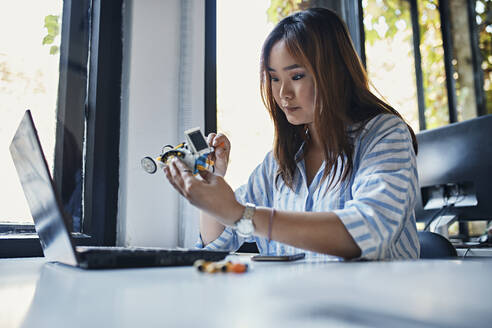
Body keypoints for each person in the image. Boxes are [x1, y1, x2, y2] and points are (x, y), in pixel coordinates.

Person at [164, 8, 420, 260]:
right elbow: (219, 240)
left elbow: (367, 232)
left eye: (296, 76)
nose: (283, 94)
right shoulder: (278, 162)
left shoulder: (385, 135)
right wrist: (213, 178)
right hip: (296, 300)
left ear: (335, 73)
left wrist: (243, 216)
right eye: (274, 78)